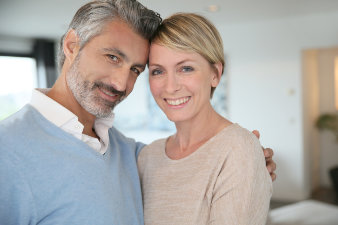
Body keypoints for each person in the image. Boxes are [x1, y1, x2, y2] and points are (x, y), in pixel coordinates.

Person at [0, 0, 275, 224]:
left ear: (215, 74)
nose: (121, 84)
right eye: (113, 57)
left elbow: (193, 163)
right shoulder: (7, 150)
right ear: (72, 46)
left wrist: (248, 158)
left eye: (136, 70)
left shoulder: (129, 153)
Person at [138, 13, 272, 225]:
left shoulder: (239, 149)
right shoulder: (147, 157)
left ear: (215, 74)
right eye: (157, 71)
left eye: (186, 68)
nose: (170, 86)